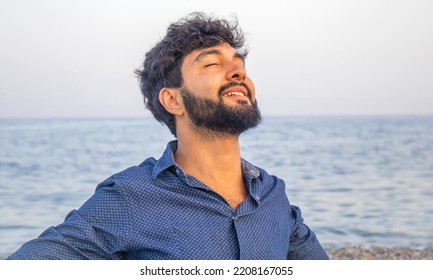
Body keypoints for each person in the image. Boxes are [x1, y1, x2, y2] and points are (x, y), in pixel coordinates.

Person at [7, 12, 329, 260]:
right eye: (213, 64)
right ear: (173, 100)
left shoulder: (273, 196)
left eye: (239, 64)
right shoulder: (129, 198)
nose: (238, 72)